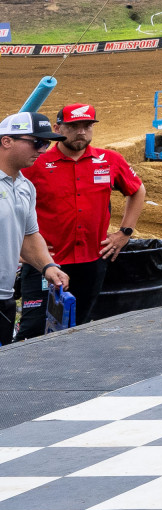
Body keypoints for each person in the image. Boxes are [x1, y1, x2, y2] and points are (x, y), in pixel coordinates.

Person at [21, 103, 145, 339]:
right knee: (34, 329)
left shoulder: (109, 160)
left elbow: (138, 191)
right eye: (73, 126)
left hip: (91, 261)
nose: (81, 132)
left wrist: (125, 233)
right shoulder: (36, 163)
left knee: (80, 326)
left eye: (87, 126)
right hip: (44, 262)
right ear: (57, 128)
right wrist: (18, 245)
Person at [0, 114, 72, 344]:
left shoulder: (25, 186)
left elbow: (29, 236)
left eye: (47, 143)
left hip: (5, 298)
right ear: (6, 141)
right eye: (37, 142)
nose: (42, 150)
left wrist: (47, 266)